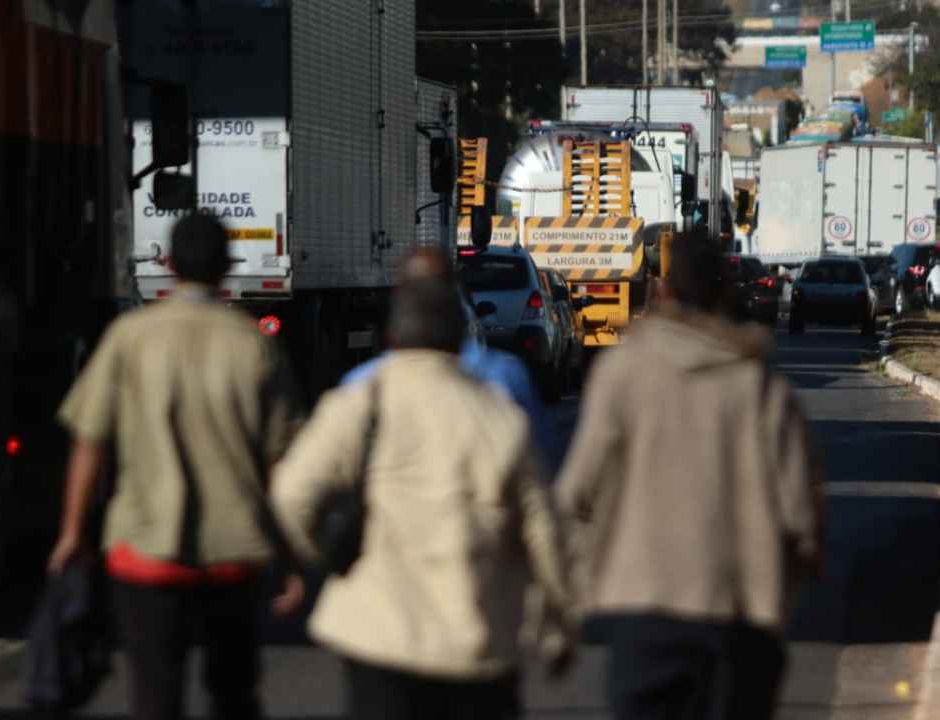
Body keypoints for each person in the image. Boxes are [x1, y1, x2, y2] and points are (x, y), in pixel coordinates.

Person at [270, 276, 575, 720]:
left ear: (389, 336)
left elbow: (291, 493)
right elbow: (544, 531)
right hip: (475, 639)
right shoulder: (498, 417)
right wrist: (558, 626)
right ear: (461, 338)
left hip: (376, 636)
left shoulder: (358, 402)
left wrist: (325, 560)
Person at [557, 227, 825, 720]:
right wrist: (783, 591)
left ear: (664, 291)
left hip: (643, 615)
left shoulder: (622, 374)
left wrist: (573, 594)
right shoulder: (759, 384)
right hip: (739, 617)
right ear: (722, 291)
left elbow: (577, 492)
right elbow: (801, 515)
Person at [48, 212, 304, 720]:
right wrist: (290, 555)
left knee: (154, 698)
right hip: (234, 554)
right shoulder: (254, 344)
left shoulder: (130, 337)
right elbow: (281, 462)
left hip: (145, 549)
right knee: (234, 696)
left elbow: (90, 439)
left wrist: (73, 532)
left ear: (168, 263)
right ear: (227, 267)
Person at [341, 247, 558, 469]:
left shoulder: (362, 384)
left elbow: (312, 477)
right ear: (457, 305)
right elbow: (537, 470)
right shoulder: (503, 378)